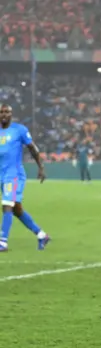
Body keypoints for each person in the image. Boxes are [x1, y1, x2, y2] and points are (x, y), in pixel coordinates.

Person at [0, 104, 49, 252]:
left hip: (14, 174)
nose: (4, 114)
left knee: (7, 205)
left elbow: (32, 148)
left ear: (11, 114)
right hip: (2, 175)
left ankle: (3, 241)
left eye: (7, 112)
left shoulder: (19, 130)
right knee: (17, 209)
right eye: (1, 112)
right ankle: (41, 235)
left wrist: (41, 167)